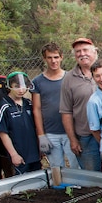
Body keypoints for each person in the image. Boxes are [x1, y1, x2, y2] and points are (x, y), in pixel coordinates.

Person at [60, 37, 102, 171]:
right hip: (86, 137)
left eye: (85, 50)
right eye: (78, 51)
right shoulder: (68, 79)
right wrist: (73, 140)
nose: (82, 54)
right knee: (93, 178)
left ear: (95, 52)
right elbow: (66, 112)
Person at [32, 42, 79, 170]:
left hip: (71, 132)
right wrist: (41, 135)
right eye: (50, 57)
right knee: (56, 169)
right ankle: (61, 190)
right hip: (50, 132)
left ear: (61, 57)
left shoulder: (71, 77)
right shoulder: (37, 81)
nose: (53, 61)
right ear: (44, 58)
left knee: (77, 166)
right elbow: (36, 109)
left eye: (56, 57)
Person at [0, 72, 41, 175]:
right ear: (9, 86)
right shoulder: (4, 106)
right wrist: (13, 154)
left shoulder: (28, 103)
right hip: (19, 154)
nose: (21, 90)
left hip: (34, 153)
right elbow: (3, 132)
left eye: (23, 86)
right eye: (16, 86)